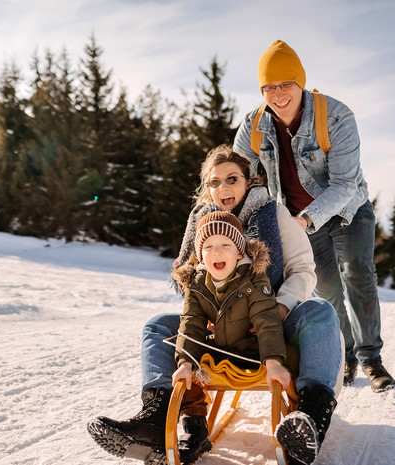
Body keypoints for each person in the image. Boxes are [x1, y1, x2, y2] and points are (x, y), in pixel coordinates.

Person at [88, 145, 343, 465]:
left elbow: (303, 270)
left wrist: (279, 308)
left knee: (320, 311)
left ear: (249, 182)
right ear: (206, 187)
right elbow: (191, 283)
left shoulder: (273, 214)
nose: (223, 188)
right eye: (214, 182)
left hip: (275, 318)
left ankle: (310, 416)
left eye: (231, 179)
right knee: (158, 325)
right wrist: (207, 316)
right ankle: (156, 418)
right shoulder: (201, 223)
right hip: (221, 326)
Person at [232, 39, 395, 393]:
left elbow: (345, 183)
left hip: (348, 211)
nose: (277, 94)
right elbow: (238, 173)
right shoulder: (255, 125)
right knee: (326, 290)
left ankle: (371, 358)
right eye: (268, 87)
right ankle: (348, 355)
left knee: (358, 277)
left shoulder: (336, 116)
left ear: (300, 82)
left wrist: (304, 220)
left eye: (285, 84)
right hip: (297, 219)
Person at [170, 210, 293, 461]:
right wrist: (184, 363)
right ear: (201, 255)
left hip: (252, 352)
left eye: (225, 244)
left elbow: (267, 320)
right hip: (220, 349)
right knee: (187, 359)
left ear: (239, 251)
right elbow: (191, 323)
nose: (217, 251)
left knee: (292, 355)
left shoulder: (255, 278)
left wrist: (273, 363)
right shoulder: (196, 283)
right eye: (209, 246)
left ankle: (298, 424)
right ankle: (194, 425)